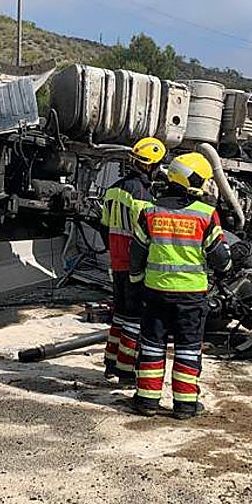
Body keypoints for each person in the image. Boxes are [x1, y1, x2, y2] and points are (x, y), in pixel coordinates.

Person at [128, 152, 232, 418]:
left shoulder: (150, 212)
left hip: (155, 294)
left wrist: (136, 282)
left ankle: (146, 402)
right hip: (191, 297)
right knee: (187, 350)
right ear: (193, 181)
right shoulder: (206, 215)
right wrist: (229, 265)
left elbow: (136, 255)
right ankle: (185, 405)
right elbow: (220, 259)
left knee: (151, 346)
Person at [99, 137, 164, 383]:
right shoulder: (142, 196)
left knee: (120, 315)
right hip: (133, 265)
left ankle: (110, 362)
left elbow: (104, 226)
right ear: (149, 166)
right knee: (135, 321)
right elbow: (144, 235)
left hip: (116, 262)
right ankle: (125, 370)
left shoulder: (114, 189)